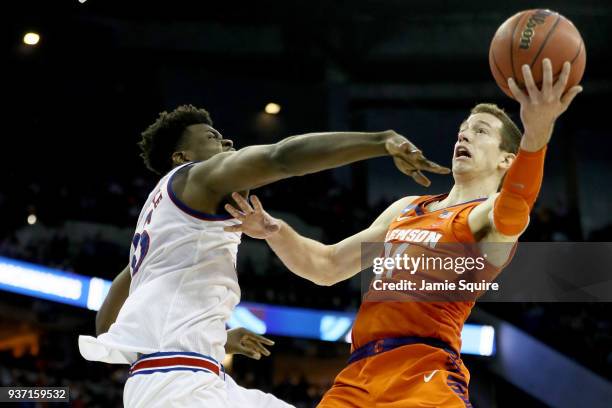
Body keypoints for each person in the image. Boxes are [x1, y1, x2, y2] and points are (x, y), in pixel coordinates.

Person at [223, 59, 582, 407]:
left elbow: (516, 203)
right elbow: (326, 266)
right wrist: (274, 230)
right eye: (464, 128)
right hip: (358, 376)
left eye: (481, 131)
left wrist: (536, 135)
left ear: (507, 159)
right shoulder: (407, 208)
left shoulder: (484, 216)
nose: (465, 134)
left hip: (424, 374)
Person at [78, 104, 449, 407]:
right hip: (178, 387)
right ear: (182, 156)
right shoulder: (196, 178)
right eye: (212, 138)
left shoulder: (158, 219)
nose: (227, 142)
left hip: (188, 379)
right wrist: (380, 141)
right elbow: (281, 158)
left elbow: (106, 329)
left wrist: (211, 337)